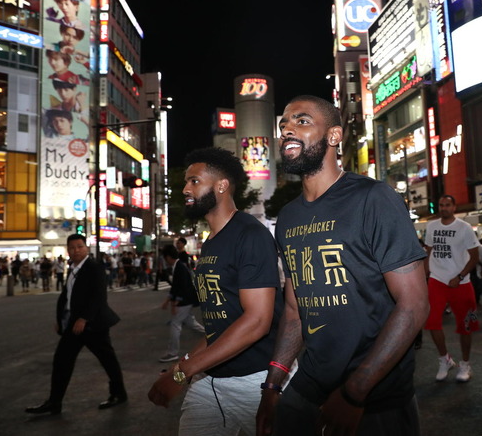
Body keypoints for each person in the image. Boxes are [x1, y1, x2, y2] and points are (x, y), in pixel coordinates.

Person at [256, 95, 429, 436]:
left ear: (334, 137)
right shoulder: (288, 217)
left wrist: (355, 391)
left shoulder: (374, 198)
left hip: (376, 395)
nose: (287, 129)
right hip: (309, 384)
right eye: (283, 124)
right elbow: (294, 308)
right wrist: (273, 385)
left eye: (302, 121)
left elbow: (414, 305)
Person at [148, 147, 284, 436]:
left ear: (221, 186)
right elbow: (220, 326)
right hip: (211, 380)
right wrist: (183, 366)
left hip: (256, 382)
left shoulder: (250, 235)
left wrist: (183, 373)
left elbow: (258, 322)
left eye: (194, 181)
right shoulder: (211, 243)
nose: (185, 188)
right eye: (186, 181)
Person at [25, 234, 126, 415]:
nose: (76, 250)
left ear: (86, 248)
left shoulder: (94, 267)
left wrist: (84, 318)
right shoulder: (73, 268)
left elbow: (98, 297)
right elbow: (67, 297)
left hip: (93, 324)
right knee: (62, 360)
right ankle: (54, 402)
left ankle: (119, 394)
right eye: (72, 247)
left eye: (79, 246)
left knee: (107, 359)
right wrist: (60, 319)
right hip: (74, 324)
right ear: (68, 250)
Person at [424, 194, 480, 382]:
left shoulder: (464, 228)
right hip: (437, 279)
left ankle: (465, 364)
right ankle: (444, 359)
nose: (444, 208)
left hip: (461, 282)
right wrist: (425, 276)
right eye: (441, 205)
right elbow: (427, 253)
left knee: (466, 324)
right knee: (431, 321)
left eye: (448, 205)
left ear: (454, 207)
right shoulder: (431, 226)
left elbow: (474, 257)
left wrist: (460, 276)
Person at [157, 244, 205, 363]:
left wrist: (173, 304)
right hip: (187, 300)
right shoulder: (179, 266)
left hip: (185, 301)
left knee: (175, 324)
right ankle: (209, 334)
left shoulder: (179, 267)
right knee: (190, 322)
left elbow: (181, 288)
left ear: (168, 257)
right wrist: (167, 301)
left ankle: (172, 352)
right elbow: (176, 287)